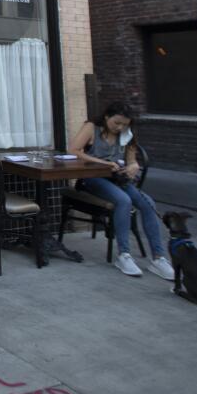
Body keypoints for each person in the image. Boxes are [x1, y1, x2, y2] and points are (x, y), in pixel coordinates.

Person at [69, 101, 175, 280]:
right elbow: (73, 150)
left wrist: (133, 166)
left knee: (148, 203)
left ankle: (159, 258)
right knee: (124, 201)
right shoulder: (92, 127)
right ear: (107, 117)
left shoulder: (127, 133)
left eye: (124, 124)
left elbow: (131, 159)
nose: (119, 127)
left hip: (117, 178)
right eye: (116, 122)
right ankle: (124, 255)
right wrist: (104, 163)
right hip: (93, 178)